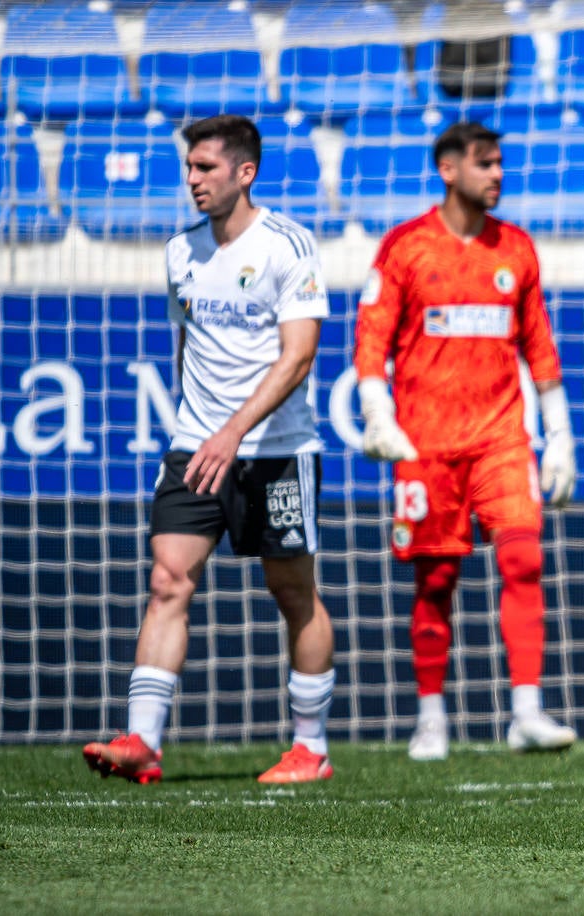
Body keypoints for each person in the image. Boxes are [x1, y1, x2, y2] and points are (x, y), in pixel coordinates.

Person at [83, 114, 337, 785]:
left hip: (276, 450)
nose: (192, 180)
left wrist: (234, 430)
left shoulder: (289, 245)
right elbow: (187, 343)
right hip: (195, 446)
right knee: (168, 579)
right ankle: (142, 740)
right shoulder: (180, 251)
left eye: (205, 168)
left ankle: (311, 748)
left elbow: (300, 355)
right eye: (189, 168)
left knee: (292, 591)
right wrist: (200, 427)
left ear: (244, 173)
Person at [353, 121, 578, 760]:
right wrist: (377, 411)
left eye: (500, 163)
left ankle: (527, 712)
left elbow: (539, 344)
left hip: (503, 439)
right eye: (485, 164)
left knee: (524, 560)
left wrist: (558, 437)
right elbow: (372, 337)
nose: (497, 175)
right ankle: (431, 718)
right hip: (425, 446)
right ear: (449, 170)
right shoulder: (405, 248)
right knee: (435, 580)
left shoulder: (517, 249)